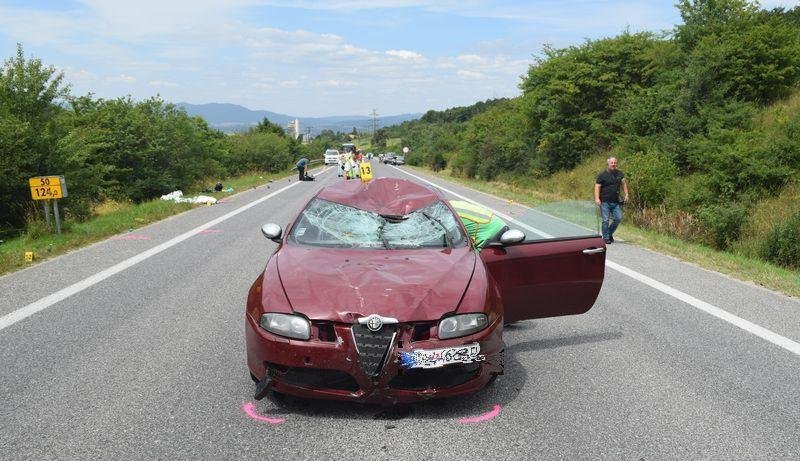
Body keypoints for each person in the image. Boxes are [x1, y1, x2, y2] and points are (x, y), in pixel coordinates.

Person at [594, 156, 629, 244]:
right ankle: (605, 238)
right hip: (604, 201)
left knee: (618, 218)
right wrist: (597, 198)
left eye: (615, 163)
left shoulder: (620, 174)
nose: (613, 164)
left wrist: (626, 194)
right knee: (605, 220)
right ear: (608, 163)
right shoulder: (602, 175)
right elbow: (597, 187)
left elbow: (623, 184)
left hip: (615, 202)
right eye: (612, 163)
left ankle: (608, 233)